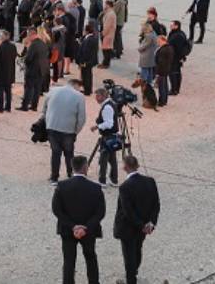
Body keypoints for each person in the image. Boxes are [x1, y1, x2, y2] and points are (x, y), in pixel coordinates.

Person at [52, 155, 105, 284]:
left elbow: (57, 210)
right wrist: (86, 226)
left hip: (68, 230)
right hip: (89, 231)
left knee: (69, 261)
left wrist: (73, 226)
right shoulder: (96, 188)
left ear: (72, 167)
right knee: (91, 258)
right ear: (85, 167)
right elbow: (100, 212)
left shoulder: (62, 186)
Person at [114, 156, 160, 284]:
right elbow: (156, 204)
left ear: (125, 167)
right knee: (138, 249)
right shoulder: (150, 181)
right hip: (145, 226)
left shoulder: (125, 187)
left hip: (129, 228)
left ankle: (131, 279)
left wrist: (141, 225)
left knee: (129, 256)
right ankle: (134, 273)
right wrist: (150, 223)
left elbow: (128, 211)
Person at [42, 79, 87, 185]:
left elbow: (44, 108)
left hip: (52, 126)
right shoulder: (79, 96)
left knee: (55, 153)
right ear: (76, 85)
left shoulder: (53, 90)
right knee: (69, 153)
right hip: (68, 129)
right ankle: (71, 174)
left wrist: (47, 122)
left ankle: (54, 177)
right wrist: (76, 131)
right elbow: (82, 118)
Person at [90, 88, 119, 187]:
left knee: (104, 159)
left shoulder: (107, 107)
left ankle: (102, 181)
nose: (96, 98)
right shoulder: (111, 104)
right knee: (112, 159)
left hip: (108, 136)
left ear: (103, 96)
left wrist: (97, 126)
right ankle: (114, 180)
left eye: (97, 96)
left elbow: (109, 124)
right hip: (112, 135)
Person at [20, 28, 49, 111]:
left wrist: (25, 62)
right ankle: (34, 106)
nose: (28, 37)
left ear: (32, 35)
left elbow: (29, 58)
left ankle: (25, 106)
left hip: (33, 69)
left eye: (28, 35)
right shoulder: (43, 44)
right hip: (42, 69)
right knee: (37, 89)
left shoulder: (33, 45)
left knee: (29, 87)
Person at [0, 31, 17, 112]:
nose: (0, 37)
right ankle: (8, 106)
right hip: (10, 72)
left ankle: (0, 107)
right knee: (8, 90)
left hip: (0, 72)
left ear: (4, 37)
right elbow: (14, 57)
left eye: (1, 36)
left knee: (0, 90)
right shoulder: (13, 47)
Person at [77, 24, 99, 95]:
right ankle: (88, 89)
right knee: (88, 74)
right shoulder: (92, 38)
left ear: (86, 31)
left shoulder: (88, 40)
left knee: (86, 75)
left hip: (86, 61)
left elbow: (85, 51)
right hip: (91, 60)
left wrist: (81, 61)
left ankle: (87, 90)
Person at [154, 35, 174, 107]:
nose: (158, 42)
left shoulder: (163, 50)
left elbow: (160, 62)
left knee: (161, 87)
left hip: (161, 71)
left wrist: (157, 72)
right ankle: (164, 100)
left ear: (163, 40)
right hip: (166, 69)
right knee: (165, 86)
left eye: (159, 41)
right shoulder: (169, 48)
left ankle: (161, 101)